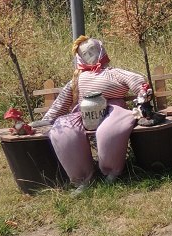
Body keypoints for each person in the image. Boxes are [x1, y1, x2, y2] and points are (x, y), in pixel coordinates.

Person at [41, 36, 146, 191]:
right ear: (79, 57)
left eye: (93, 50)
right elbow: (63, 99)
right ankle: (82, 178)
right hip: (83, 111)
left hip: (112, 109)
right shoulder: (77, 79)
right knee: (62, 131)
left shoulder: (113, 73)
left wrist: (142, 98)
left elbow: (136, 80)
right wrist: (49, 118)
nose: (90, 55)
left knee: (109, 130)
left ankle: (111, 171)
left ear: (101, 51)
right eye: (85, 53)